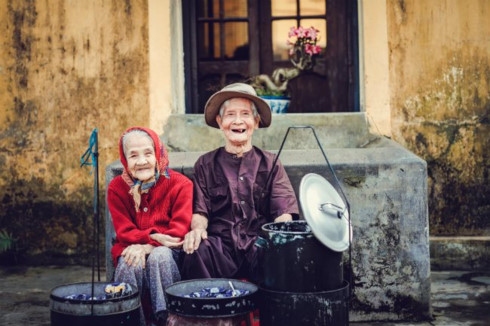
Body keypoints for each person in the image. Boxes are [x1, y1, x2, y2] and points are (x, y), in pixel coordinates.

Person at [182, 83, 299, 281]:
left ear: (256, 121)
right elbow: (200, 211)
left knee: (283, 253)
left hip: (259, 246)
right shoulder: (205, 163)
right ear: (220, 122)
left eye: (245, 114)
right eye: (230, 115)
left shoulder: (270, 163)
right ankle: (211, 310)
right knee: (196, 250)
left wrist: (281, 238)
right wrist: (197, 230)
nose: (238, 121)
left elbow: (283, 212)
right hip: (221, 247)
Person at [107, 127, 192, 326]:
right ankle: (127, 319)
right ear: (125, 160)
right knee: (130, 261)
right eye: (133, 155)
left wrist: (148, 245)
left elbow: (177, 234)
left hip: (171, 253)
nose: (142, 161)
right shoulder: (117, 188)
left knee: (159, 256)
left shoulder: (181, 185)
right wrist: (153, 238)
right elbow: (124, 232)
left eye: (148, 153)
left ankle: (168, 319)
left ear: (158, 153)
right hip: (130, 248)